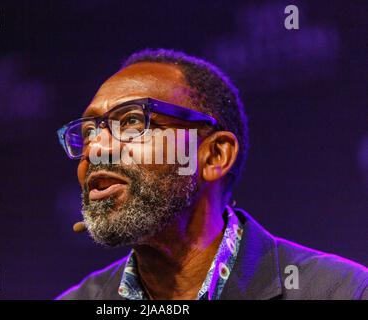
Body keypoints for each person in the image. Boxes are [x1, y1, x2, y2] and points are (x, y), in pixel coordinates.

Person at [56, 49, 367, 300]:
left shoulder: (340, 291)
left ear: (215, 156)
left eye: (132, 122)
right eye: (88, 132)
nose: (95, 147)